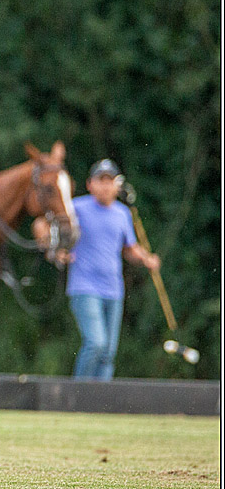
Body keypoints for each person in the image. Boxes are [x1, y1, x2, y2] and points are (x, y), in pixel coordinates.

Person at [59, 159, 160, 380]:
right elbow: (46, 227)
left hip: (114, 290)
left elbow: (129, 249)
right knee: (96, 343)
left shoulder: (123, 213)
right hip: (84, 287)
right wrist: (57, 249)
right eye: (100, 180)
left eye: (109, 181)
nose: (105, 186)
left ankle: (100, 405)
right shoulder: (76, 207)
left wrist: (146, 258)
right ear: (90, 184)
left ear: (117, 185)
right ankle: (78, 395)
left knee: (108, 353)